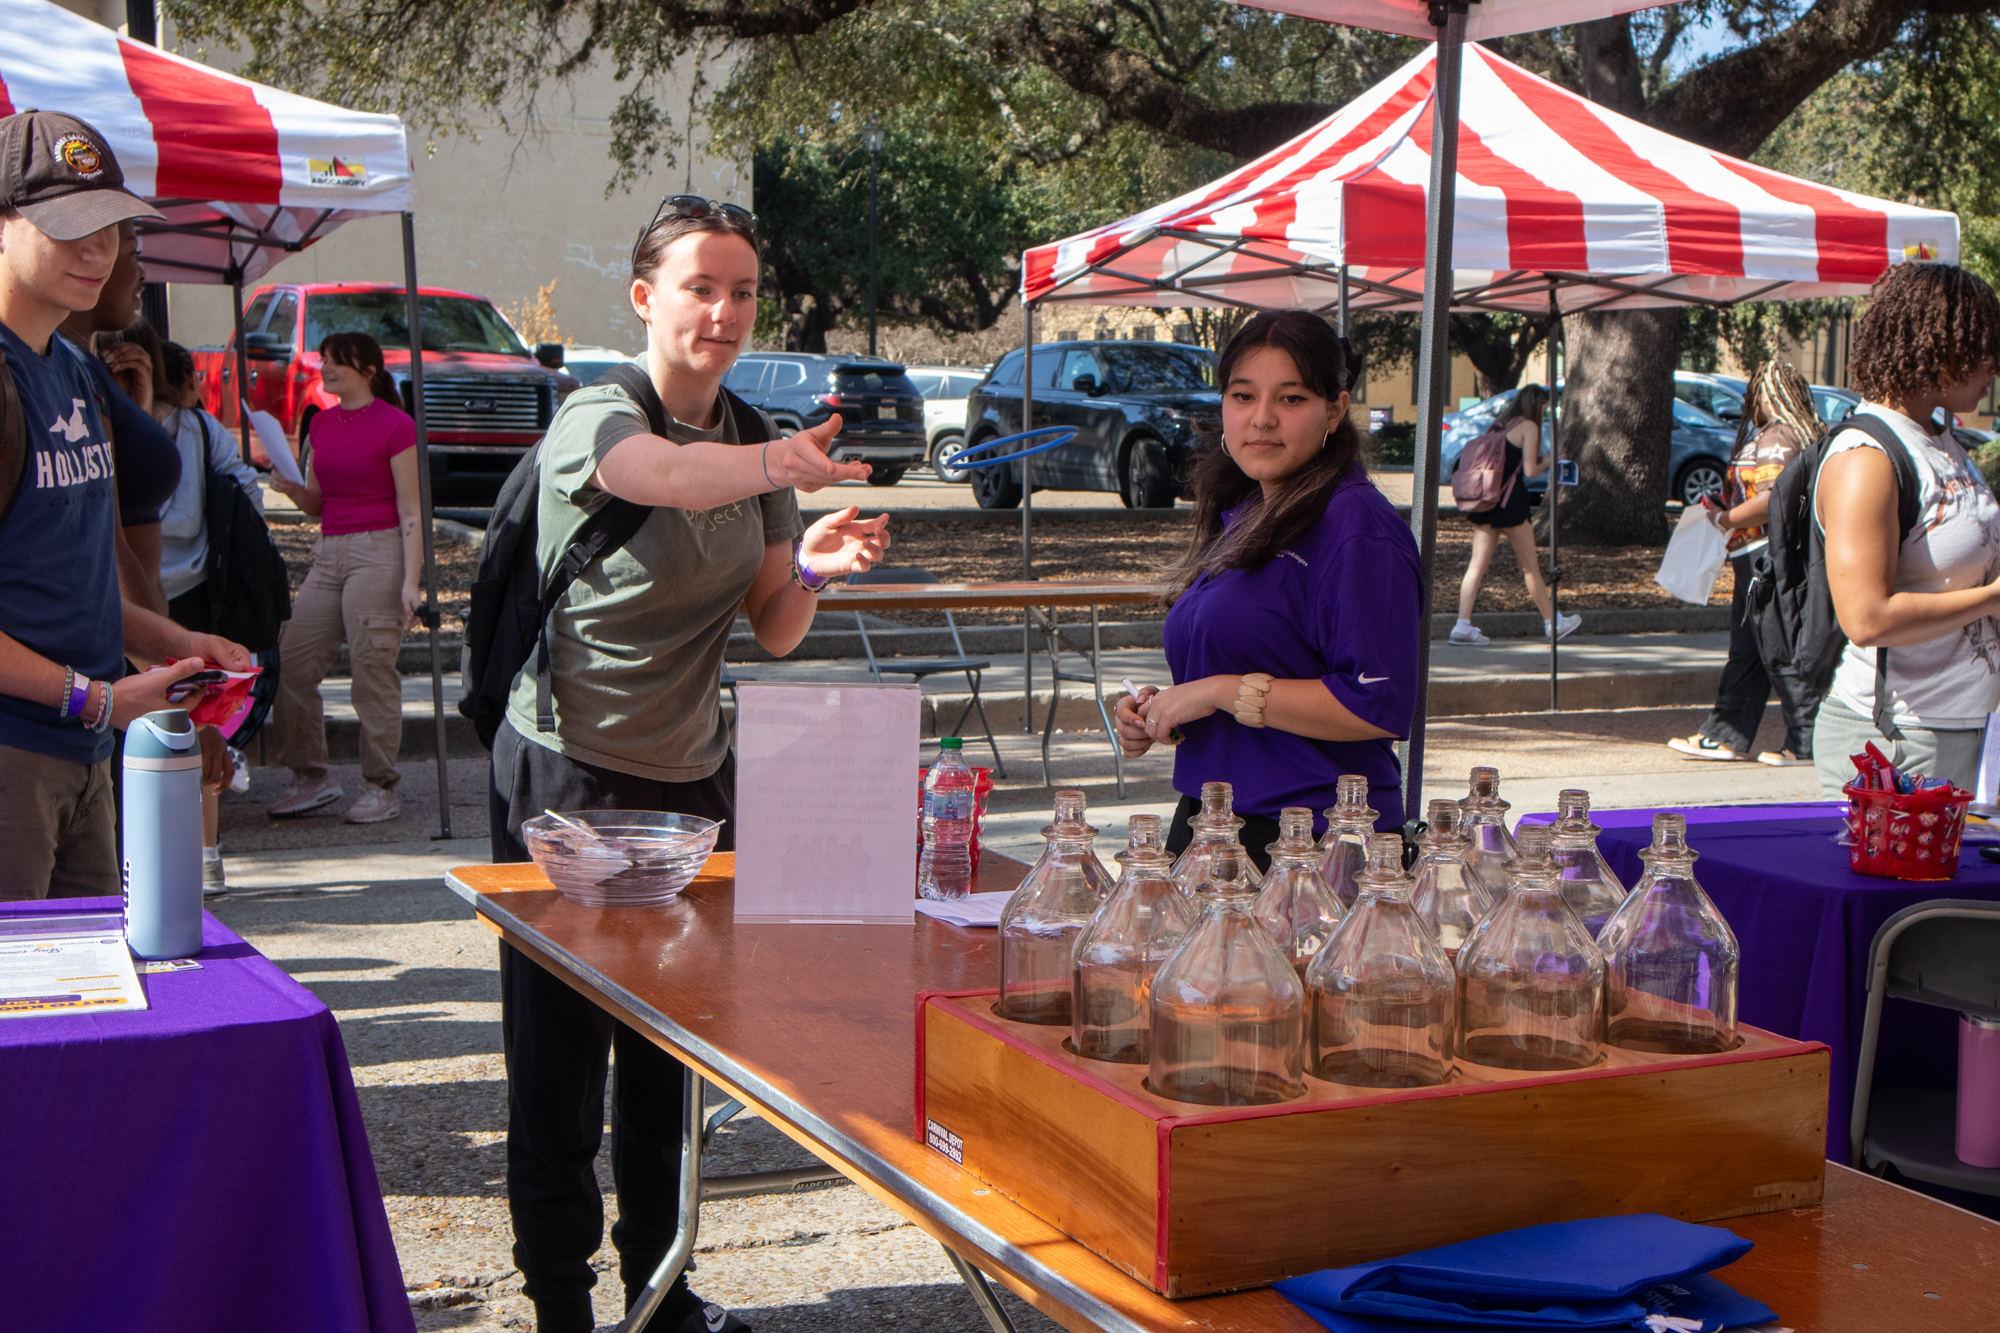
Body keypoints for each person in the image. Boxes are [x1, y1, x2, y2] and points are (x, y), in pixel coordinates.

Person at [489, 196, 891, 1333]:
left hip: (689, 779)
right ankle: (561, 1304)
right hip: (566, 775)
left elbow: (771, 625)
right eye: (699, 287)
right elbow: (655, 478)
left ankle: (656, 1296)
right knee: (557, 1062)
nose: (722, 312)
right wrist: (777, 464)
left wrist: (810, 563)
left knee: (666, 1058)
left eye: (743, 290)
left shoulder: (762, 444)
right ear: (643, 298)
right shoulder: (593, 417)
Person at [0, 109, 249, 899]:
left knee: (93, 999)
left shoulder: (71, 368)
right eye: (67, 224)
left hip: (84, 755)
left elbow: (77, 572)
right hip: (19, 755)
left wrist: (176, 641)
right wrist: (100, 697)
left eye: (109, 224)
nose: (97, 250)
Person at [1113, 309, 1424, 857]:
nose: (1262, 419)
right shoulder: (1248, 510)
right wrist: (1165, 712)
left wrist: (1220, 691)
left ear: (1336, 410)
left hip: (1316, 845)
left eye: (1291, 399)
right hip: (1212, 827)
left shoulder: (1359, 529)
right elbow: (1259, 662)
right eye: (1242, 396)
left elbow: (1378, 703)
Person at [1813, 262, 2000, 796]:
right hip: (1897, 743)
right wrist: (1990, 600)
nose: (1994, 365)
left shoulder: (1942, 440)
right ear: (1937, 349)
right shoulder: (1866, 457)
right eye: (1981, 346)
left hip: (1960, 730)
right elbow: (1867, 619)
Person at [263, 332, 421, 825]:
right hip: (328, 551)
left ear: (368, 369)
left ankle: (380, 785)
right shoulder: (321, 426)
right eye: (324, 360)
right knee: (291, 660)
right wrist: (290, 489)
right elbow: (317, 503)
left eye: (337, 361)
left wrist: (411, 581)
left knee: (372, 670)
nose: (325, 367)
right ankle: (312, 776)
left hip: (380, 551)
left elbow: (411, 510)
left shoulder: (396, 426)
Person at [1667, 362, 1823, 766]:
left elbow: (1773, 500)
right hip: (1761, 557)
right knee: (1752, 649)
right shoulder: (1796, 434)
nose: (1750, 404)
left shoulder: (1776, 438)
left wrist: (1725, 518)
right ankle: (1726, 734)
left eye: (1755, 394)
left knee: (1778, 649)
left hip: (1766, 557)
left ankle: (1806, 743)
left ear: (1767, 394)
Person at [154, 336, 265, 891]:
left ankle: (186, 858)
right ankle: (203, 857)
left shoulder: (164, 430)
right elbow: (247, 488)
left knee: (180, 724)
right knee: (194, 724)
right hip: (190, 589)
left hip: (162, 589)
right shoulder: (201, 430)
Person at [56, 216, 182, 614]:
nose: (142, 273)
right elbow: (106, 539)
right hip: (121, 647)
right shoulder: (68, 371)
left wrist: (137, 414)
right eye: (133, 252)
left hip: (132, 643)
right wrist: (165, 662)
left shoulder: (85, 367)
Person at [1448, 384, 1581, 645]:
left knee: (1476, 566)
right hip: (1511, 503)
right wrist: (1550, 461)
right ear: (1537, 404)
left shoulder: (1501, 425)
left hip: (1486, 500)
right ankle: (1552, 623)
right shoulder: (1528, 426)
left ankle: (1462, 625)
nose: (1545, 412)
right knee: (1530, 568)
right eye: (1544, 407)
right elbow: (1530, 471)